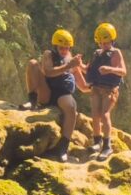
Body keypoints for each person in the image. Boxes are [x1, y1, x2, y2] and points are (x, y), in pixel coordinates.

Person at [23, 29, 90, 162]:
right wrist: (68, 66)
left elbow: (83, 86)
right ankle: (32, 100)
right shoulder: (49, 54)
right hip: (46, 91)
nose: (64, 50)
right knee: (33, 63)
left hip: (62, 94)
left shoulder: (72, 60)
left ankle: (63, 147)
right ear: (55, 46)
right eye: (61, 48)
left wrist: (102, 87)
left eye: (67, 48)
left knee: (71, 106)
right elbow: (48, 72)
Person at [85, 22, 126, 159]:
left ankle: (107, 146)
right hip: (96, 88)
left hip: (109, 89)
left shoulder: (116, 53)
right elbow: (88, 70)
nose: (103, 45)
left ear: (112, 40)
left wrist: (110, 69)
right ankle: (97, 141)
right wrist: (79, 65)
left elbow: (123, 71)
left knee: (104, 114)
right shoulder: (96, 53)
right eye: (101, 43)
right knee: (95, 115)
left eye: (106, 43)